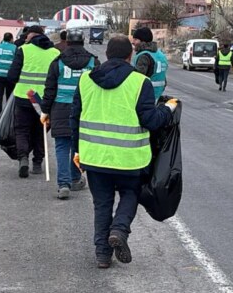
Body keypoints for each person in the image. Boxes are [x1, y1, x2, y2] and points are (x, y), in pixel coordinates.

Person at [71, 36, 176, 268]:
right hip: (130, 159)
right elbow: (150, 120)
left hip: (95, 157)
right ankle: (119, 230)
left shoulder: (86, 80)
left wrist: (76, 151)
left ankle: (102, 255)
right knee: (130, 194)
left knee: (102, 204)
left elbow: (74, 118)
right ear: (130, 56)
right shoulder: (140, 82)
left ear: (107, 54)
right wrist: (167, 110)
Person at [41, 29, 100, 199]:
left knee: (62, 146)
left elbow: (50, 89)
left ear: (67, 42)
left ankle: (63, 184)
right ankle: (74, 178)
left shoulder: (58, 62)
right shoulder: (93, 62)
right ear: (83, 42)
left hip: (60, 108)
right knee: (77, 145)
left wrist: (45, 110)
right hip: (85, 109)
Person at [7, 25, 60, 178]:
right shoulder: (55, 53)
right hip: (45, 100)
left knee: (22, 130)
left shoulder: (23, 50)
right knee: (40, 131)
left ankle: (23, 158)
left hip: (24, 97)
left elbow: (12, 76)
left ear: (31, 36)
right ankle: (37, 163)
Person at [131, 27, 168, 101]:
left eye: (135, 39)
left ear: (143, 41)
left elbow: (137, 80)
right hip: (156, 95)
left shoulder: (144, 56)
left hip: (145, 97)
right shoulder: (161, 55)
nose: (133, 42)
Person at [0, 32, 17, 117]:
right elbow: (17, 62)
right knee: (9, 95)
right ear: (11, 39)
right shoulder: (14, 48)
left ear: (3, 38)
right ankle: (8, 114)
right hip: (9, 76)